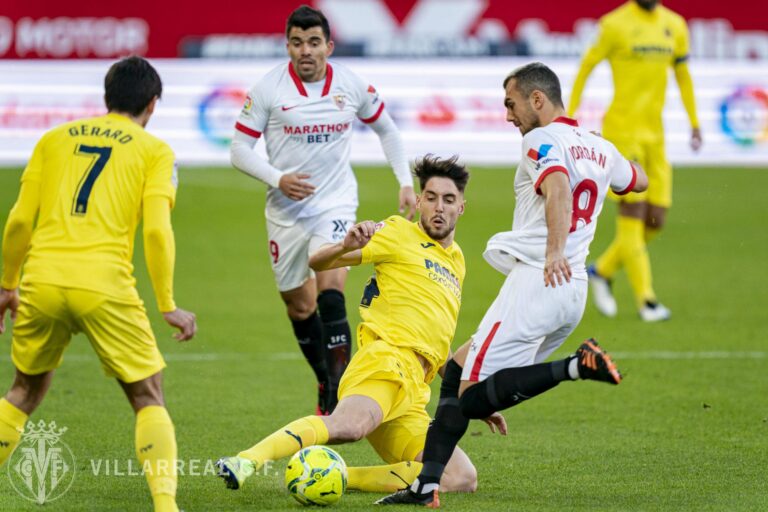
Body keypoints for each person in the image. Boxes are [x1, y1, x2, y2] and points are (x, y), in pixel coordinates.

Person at [378, 62, 648, 507]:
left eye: (511, 103)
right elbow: (639, 180)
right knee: (457, 370)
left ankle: (577, 366)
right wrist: (613, 158)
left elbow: (558, 186)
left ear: (537, 99)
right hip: (571, 291)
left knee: (470, 400)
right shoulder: (599, 147)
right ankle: (426, 486)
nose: (508, 115)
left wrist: (554, 250)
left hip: (539, 279)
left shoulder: (539, 139)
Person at [216, 156, 500, 496]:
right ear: (420, 200)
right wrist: (344, 246)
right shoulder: (397, 232)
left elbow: (437, 344)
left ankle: (336, 476)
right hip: (385, 364)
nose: (439, 207)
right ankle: (246, 460)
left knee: (459, 478)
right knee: (347, 427)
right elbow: (318, 260)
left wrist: (475, 395)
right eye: (432, 197)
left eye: (448, 199)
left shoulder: (457, 260)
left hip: (413, 393)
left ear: (462, 207)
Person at [0, 56, 197, 512]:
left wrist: (7, 285)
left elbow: (18, 220)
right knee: (148, 394)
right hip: (104, 284)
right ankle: (166, 508)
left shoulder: (52, 139)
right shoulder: (154, 150)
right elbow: (154, 230)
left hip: (42, 279)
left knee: (24, 392)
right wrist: (166, 302)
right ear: (152, 104)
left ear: (106, 98)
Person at [230, 5, 416, 415]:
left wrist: (405, 180)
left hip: (335, 203)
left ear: (329, 46)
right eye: (297, 43)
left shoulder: (350, 85)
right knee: (300, 306)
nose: (305, 51)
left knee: (331, 290)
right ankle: (323, 377)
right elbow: (238, 150)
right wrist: (278, 178)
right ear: (288, 46)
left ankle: (341, 393)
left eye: (314, 42)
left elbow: (387, 128)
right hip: (285, 212)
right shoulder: (268, 90)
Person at [568, 0, 701, 322]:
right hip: (623, 133)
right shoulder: (614, 24)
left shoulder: (675, 24)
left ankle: (602, 270)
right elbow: (587, 66)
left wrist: (695, 122)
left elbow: (682, 75)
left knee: (656, 220)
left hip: (655, 135)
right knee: (633, 213)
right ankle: (647, 300)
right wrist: (568, 117)